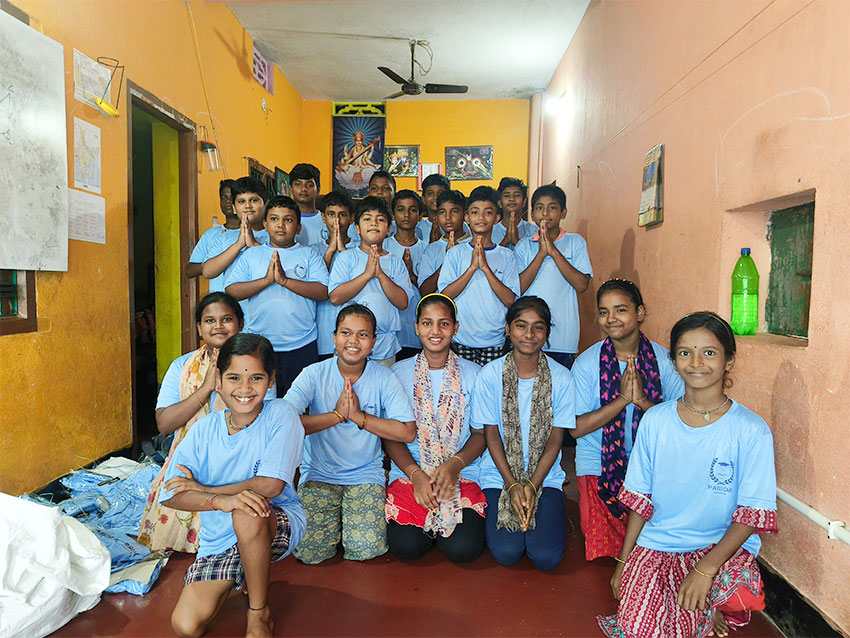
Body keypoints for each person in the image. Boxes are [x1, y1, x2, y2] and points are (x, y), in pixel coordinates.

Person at [599, 312, 777, 638]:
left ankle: (714, 605)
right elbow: (640, 500)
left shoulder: (751, 430)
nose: (696, 363)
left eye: (709, 352)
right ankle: (699, 610)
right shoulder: (656, 421)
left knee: (731, 596)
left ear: (729, 360)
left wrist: (705, 570)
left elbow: (752, 513)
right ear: (674, 361)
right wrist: (624, 563)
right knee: (637, 629)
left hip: (719, 546)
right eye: (685, 352)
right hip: (659, 544)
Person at [160, 333, 305, 638]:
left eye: (256, 378)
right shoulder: (204, 429)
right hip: (218, 540)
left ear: (270, 380)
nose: (245, 389)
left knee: (246, 510)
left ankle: (259, 613)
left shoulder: (281, 414)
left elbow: (271, 485)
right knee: (186, 626)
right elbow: (171, 494)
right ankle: (243, 574)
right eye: (234, 378)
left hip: (273, 521)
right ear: (219, 381)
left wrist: (205, 491)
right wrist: (220, 502)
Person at [283, 304, 415, 565]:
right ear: (334, 337)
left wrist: (359, 417)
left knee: (366, 549)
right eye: (346, 333)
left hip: (365, 474)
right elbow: (285, 424)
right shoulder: (313, 374)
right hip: (318, 474)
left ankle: (347, 524)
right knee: (309, 553)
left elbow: (407, 431)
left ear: (373, 342)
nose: (353, 341)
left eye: (362, 335)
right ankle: (339, 523)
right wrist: (336, 416)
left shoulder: (383, 377)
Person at [570, 279, 683, 562]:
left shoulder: (665, 362)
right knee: (606, 545)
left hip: (652, 463)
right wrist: (621, 400)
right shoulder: (586, 363)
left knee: (656, 544)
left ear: (640, 313)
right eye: (604, 312)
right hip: (598, 462)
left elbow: (680, 428)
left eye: (620, 310)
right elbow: (576, 430)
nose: (611, 319)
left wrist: (642, 401)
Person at [472, 296, 575, 570]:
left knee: (545, 557)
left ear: (547, 333)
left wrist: (531, 484)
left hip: (545, 476)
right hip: (499, 475)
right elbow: (491, 434)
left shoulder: (562, 378)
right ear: (508, 329)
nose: (529, 334)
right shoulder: (490, 375)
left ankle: (550, 510)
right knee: (507, 552)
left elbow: (556, 438)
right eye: (521, 325)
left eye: (538, 327)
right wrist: (512, 484)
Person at [138, 293, 246, 553]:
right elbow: (164, 424)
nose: (218, 326)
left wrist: (228, 383)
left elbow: (258, 422)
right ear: (199, 328)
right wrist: (206, 387)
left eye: (227, 319)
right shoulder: (182, 366)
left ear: (240, 324)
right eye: (209, 320)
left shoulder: (254, 365)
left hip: (237, 461)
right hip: (188, 461)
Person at [384, 293, 487, 562]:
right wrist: (416, 474)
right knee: (407, 547)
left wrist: (453, 466)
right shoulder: (397, 374)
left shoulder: (474, 374)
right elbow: (392, 436)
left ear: (455, 328)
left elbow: (480, 434)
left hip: (462, 472)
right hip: (411, 473)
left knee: (464, 550)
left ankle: (440, 526)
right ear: (416, 328)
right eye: (427, 323)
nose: (435, 331)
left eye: (444, 323)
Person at [225, 195, 328, 397]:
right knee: (261, 401)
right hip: (259, 344)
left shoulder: (309, 255)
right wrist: (267, 280)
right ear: (265, 224)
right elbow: (232, 290)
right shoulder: (252, 255)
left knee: (300, 403)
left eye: (288, 220)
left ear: (298, 227)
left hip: (302, 343)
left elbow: (323, 291)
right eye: (274, 219)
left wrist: (285, 281)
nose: (280, 225)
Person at [328, 196, 416, 366]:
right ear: (357, 228)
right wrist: (367, 274)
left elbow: (403, 303)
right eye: (367, 219)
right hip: (350, 342)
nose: (374, 223)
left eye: (380, 219)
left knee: (382, 382)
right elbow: (335, 297)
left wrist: (380, 274)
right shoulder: (346, 257)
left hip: (384, 345)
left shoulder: (395, 262)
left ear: (388, 229)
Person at [438, 186, 520, 366]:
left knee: (491, 384)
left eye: (488, 212)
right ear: (467, 217)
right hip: (460, 338)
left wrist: (485, 268)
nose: (481, 218)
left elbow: (510, 300)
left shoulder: (507, 255)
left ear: (497, 218)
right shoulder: (455, 253)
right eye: (475, 212)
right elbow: (445, 296)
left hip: (494, 341)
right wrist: (472, 268)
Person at [516, 184, 592, 369]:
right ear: (532, 214)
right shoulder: (523, 246)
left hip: (564, 338)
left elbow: (582, 285)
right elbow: (518, 288)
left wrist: (553, 251)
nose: (545, 213)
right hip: (529, 336)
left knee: (560, 383)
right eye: (539, 208)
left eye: (552, 207)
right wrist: (542, 254)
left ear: (563, 212)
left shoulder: (575, 242)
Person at [201, 177, 269, 304]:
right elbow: (207, 272)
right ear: (233, 207)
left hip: (264, 308)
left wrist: (254, 244)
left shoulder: (276, 235)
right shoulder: (225, 237)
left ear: (265, 204)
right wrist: (239, 244)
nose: (247, 206)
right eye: (241, 201)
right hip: (234, 311)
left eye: (253, 200)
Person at [310, 191, 358, 360]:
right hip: (324, 328)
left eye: (342, 215)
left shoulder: (360, 248)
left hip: (355, 329)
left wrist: (343, 251)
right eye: (331, 215)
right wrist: (330, 251)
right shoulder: (313, 250)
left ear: (352, 219)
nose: (337, 221)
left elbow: (359, 280)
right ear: (323, 218)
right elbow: (319, 286)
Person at [383, 190, 427, 360]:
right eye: (401, 210)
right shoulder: (382, 246)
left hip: (416, 328)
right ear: (393, 215)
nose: (406, 215)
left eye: (412, 210)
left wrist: (410, 275)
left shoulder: (427, 249)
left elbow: (431, 291)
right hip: (389, 330)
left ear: (420, 216)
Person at [418, 189, 471, 296]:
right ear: (437, 217)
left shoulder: (474, 245)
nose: (448, 217)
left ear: (465, 215)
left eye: (454, 211)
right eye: (442, 212)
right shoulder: (431, 249)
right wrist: (447, 260)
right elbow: (424, 291)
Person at [186, 179, 237, 282]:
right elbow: (190, 270)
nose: (228, 201)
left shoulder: (250, 234)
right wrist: (215, 264)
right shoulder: (210, 235)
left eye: (232, 197)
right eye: (224, 198)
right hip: (217, 292)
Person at [492, 177, 536, 248]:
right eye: (507, 196)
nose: (512, 199)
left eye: (517, 195)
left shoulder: (534, 231)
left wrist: (516, 242)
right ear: (500, 203)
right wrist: (505, 241)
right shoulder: (489, 232)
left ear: (524, 202)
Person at [289, 163, 324, 247]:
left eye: (309, 185)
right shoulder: (285, 220)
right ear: (290, 189)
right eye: (298, 184)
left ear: (318, 190)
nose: (303, 189)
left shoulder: (327, 220)